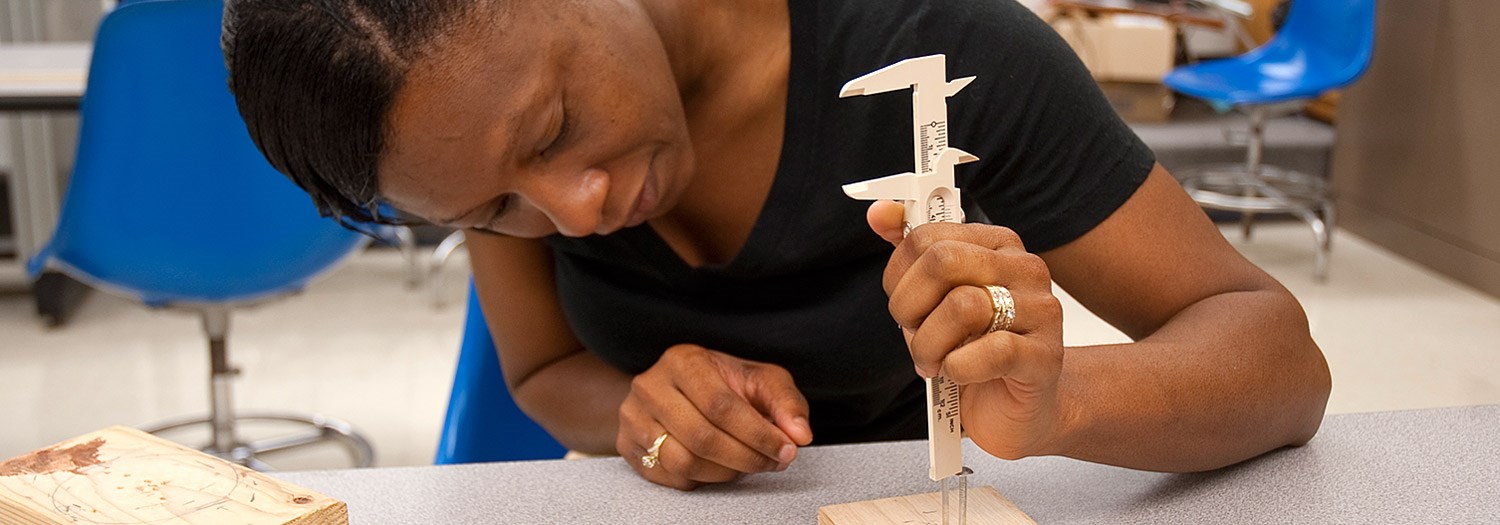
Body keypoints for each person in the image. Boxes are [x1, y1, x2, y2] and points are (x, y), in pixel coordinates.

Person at [223, 0, 1331, 491]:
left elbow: (1281, 362)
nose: (574, 211)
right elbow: (543, 371)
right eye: (493, 215)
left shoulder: (942, 47)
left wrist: (1061, 403)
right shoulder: (475, 132)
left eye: (556, 131)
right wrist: (640, 411)